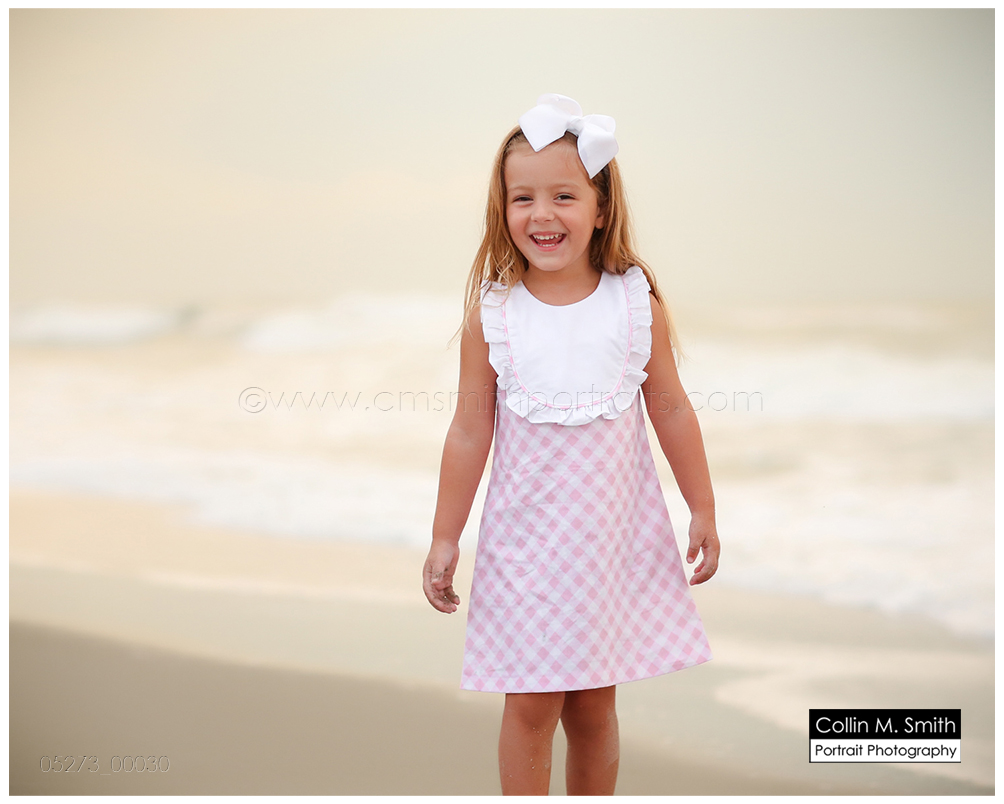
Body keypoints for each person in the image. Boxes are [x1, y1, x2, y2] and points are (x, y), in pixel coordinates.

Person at [422, 93, 720, 796]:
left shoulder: (633, 302)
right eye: (522, 198)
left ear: (601, 206)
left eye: (563, 195)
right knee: (530, 701)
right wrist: (445, 537)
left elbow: (671, 409)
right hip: (525, 547)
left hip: (608, 544)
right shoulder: (494, 316)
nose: (542, 214)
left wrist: (701, 507)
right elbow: (469, 431)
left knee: (593, 704)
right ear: (502, 210)